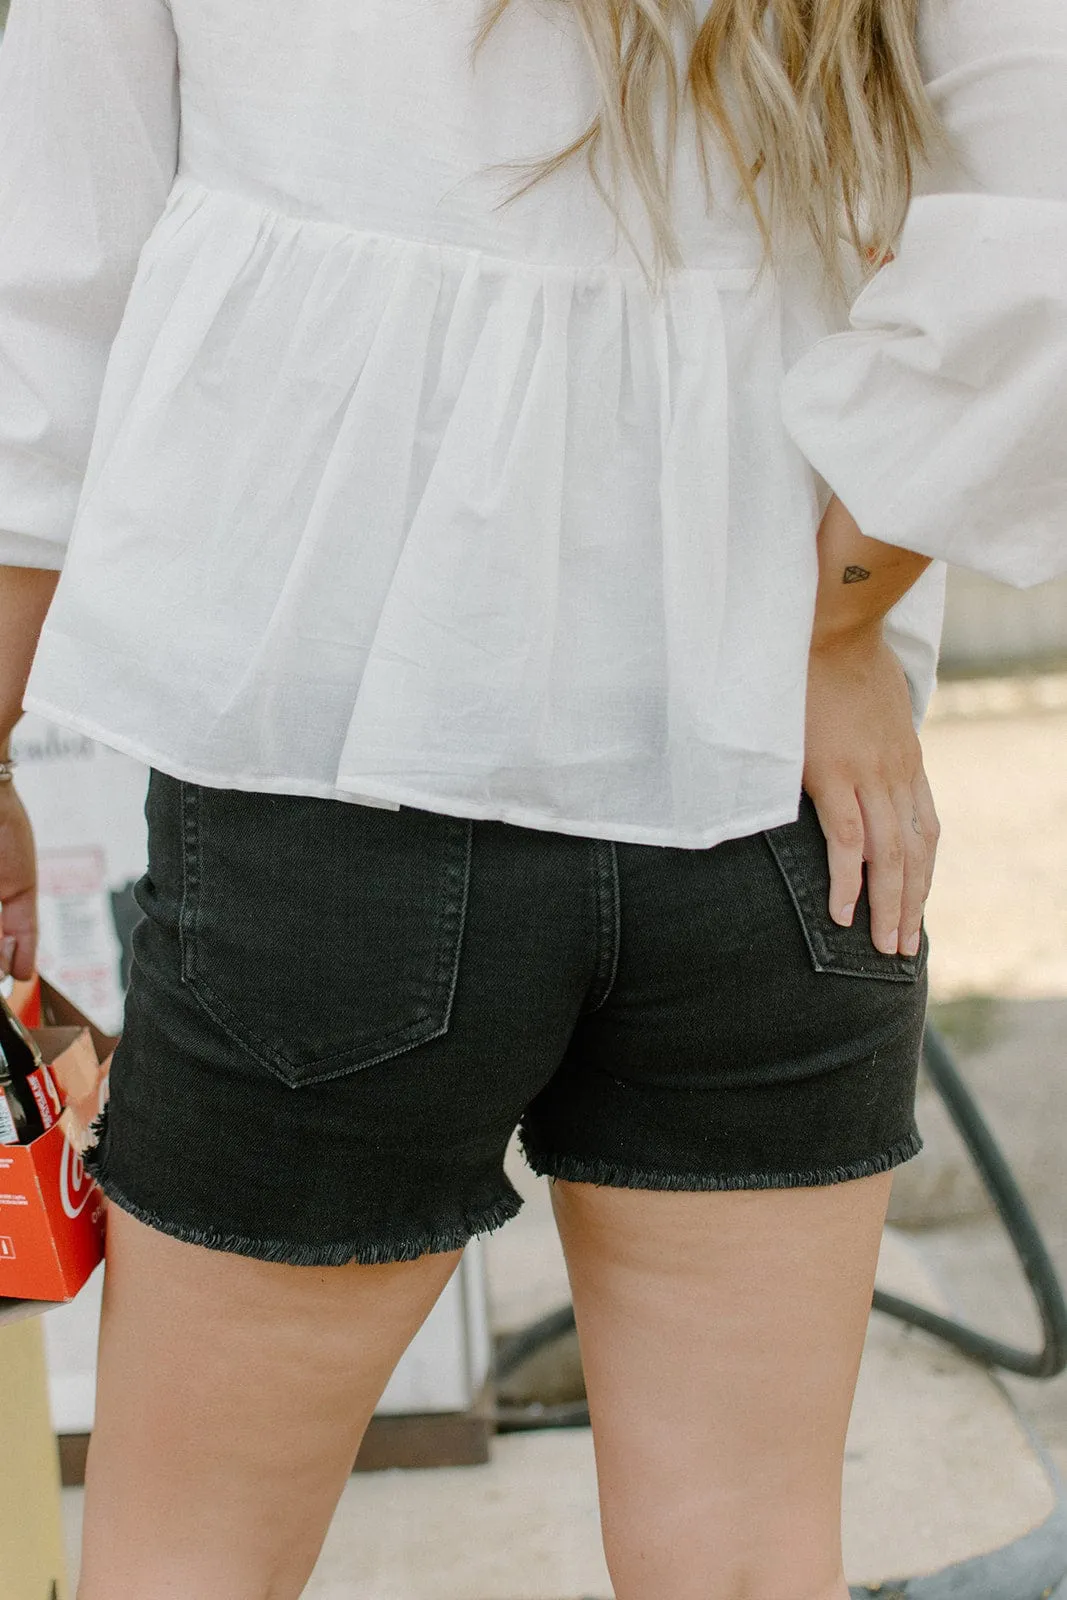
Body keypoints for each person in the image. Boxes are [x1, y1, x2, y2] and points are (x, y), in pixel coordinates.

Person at [0, 0, 1064, 1594]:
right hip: (773, 786)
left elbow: (44, 315)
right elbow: (1040, 249)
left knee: (189, 1563)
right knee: (747, 1565)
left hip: (335, 780)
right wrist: (840, 619)